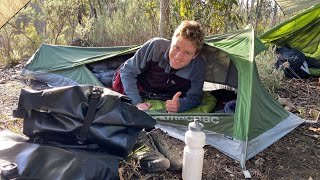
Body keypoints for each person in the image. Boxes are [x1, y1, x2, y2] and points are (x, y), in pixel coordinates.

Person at [113, 20, 205, 113]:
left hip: (161, 94)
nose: (178, 57)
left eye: (187, 53)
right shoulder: (155, 46)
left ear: (195, 55)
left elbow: (194, 97)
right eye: (176, 47)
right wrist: (136, 102)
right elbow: (127, 71)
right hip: (139, 85)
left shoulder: (197, 67)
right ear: (171, 41)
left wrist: (180, 105)